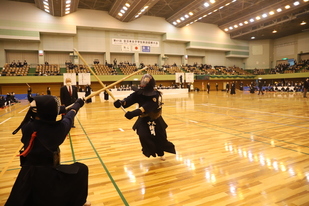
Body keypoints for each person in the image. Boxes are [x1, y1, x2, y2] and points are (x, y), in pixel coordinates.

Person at [6, 95, 90, 206]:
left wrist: (60, 110)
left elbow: (44, 117)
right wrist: (76, 106)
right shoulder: (56, 130)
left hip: (27, 172)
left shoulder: (27, 126)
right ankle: (80, 202)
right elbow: (68, 119)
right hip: (48, 175)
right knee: (82, 169)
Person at [113, 74, 176, 160]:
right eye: (143, 80)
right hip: (143, 118)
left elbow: (147, 106)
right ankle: (151, 150)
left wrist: (133, 113)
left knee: (160, 138)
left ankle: (160, 152)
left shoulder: (155, 95)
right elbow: (129, 100)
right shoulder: (139, 93)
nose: (144, 82)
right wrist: (121, 102)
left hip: (156, 118)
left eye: (146, 81)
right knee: (143, 136)